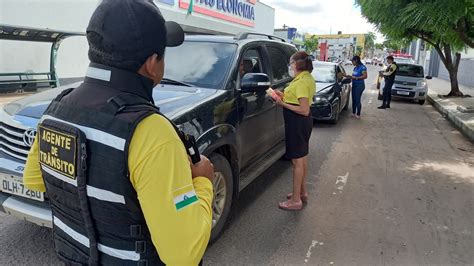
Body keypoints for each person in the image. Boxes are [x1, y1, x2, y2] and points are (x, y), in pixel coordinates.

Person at [23, 0, 214, 265]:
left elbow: (35, 179)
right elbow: (184, 254)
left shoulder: (56, 108)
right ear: (151, 64)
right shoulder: (151, 132)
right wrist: (203, 182)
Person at [268, 51, 316, 211]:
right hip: (301, 124)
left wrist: (282, 104)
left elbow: (304, 109)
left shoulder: (301, 82)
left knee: (297, 162)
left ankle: (296, 201)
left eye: (291, 62)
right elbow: (298, 98)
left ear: (296, 64)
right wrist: (283, 95)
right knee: (302, 159)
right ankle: (301, 193)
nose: (289, 65)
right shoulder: (306, 78)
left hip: (298, 122)